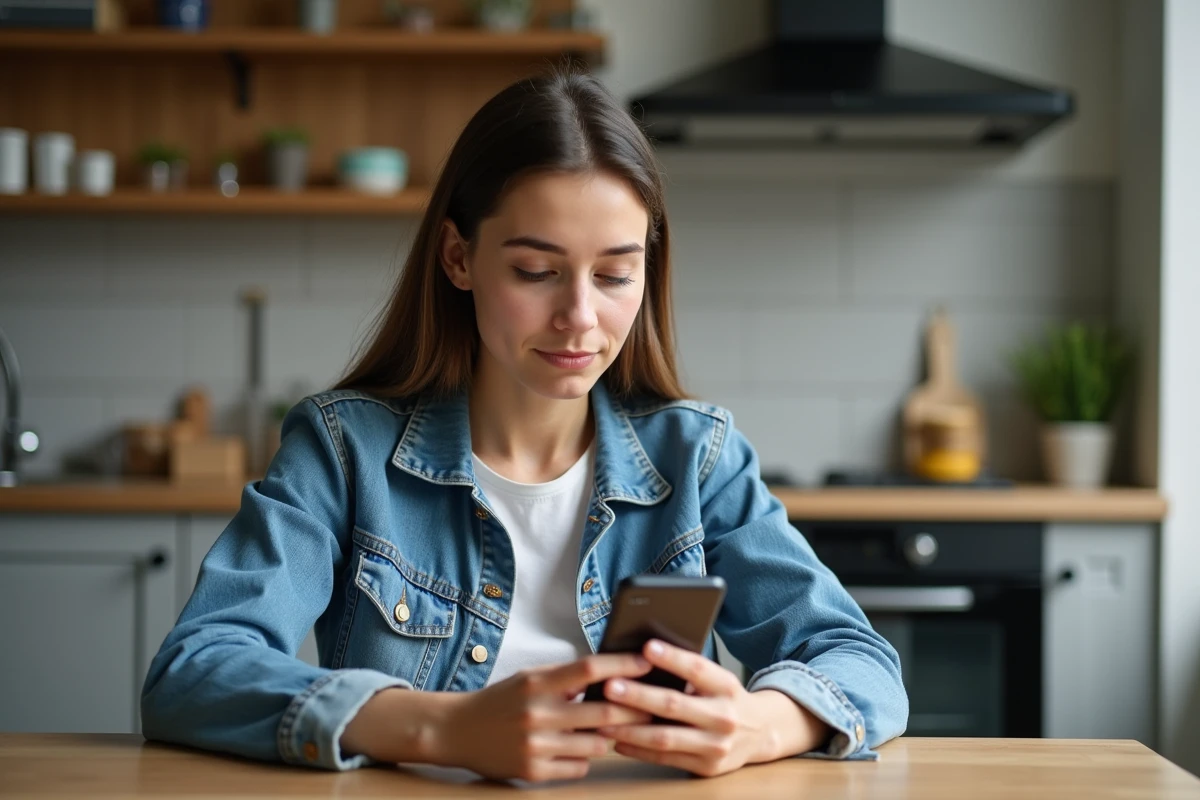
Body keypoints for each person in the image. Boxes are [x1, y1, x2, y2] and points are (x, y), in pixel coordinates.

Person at [141, 67, 907, 783]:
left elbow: (859, 660)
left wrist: (761, 725)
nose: (579, 318)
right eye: (535, 271)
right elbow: (195, 669)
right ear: (458, 257)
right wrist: (439, 729)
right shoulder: (345, 451)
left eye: (614, 275)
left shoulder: (699, 460)